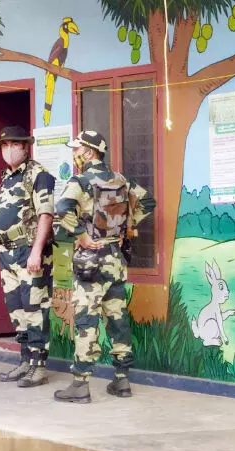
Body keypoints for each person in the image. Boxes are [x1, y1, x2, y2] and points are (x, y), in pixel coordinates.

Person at [53, 130, 155, 404]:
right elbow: (147, 201)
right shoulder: (120, 179)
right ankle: (122, 380)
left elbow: (62, 208)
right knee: (117, 316)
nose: (75, 154)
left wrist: (81, 236)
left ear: (89, 152)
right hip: (115, 259)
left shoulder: (80, 180)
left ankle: (80, 383)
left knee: (86, 319)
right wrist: (127, 227)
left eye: (77, 149)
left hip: (90, 259)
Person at [0, 126, 56, 388]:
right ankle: (25, 361)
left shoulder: (38, 175)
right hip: (7, 253)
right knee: (17, 310)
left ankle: (39, 367)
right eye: (4, 146)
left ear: (25, 147)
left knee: (35, 309)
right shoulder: (7, 177)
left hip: (28, 252)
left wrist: (37, 251)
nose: (9, 150)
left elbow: (45, 215)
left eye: (14, 145)